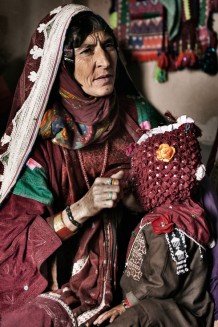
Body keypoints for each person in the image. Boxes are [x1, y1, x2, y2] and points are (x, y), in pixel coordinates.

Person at [0, 4, 166, 327]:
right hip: (63, 282)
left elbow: (184, 195)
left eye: (108, 46)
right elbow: (10, 245)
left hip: (140, 273)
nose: (104, 61)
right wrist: (83, 208)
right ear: (62, 64)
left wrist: (138, 199)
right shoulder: (42, 141)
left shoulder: (138, 119)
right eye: (87, 50)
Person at [93, 116, 215, 327]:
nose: (132, 186)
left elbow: (161, 281)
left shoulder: (165, 225)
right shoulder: (187, 214)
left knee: (134, 318)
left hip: (177, 313)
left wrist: (126, 304)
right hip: (171, 309)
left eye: (136, 180)